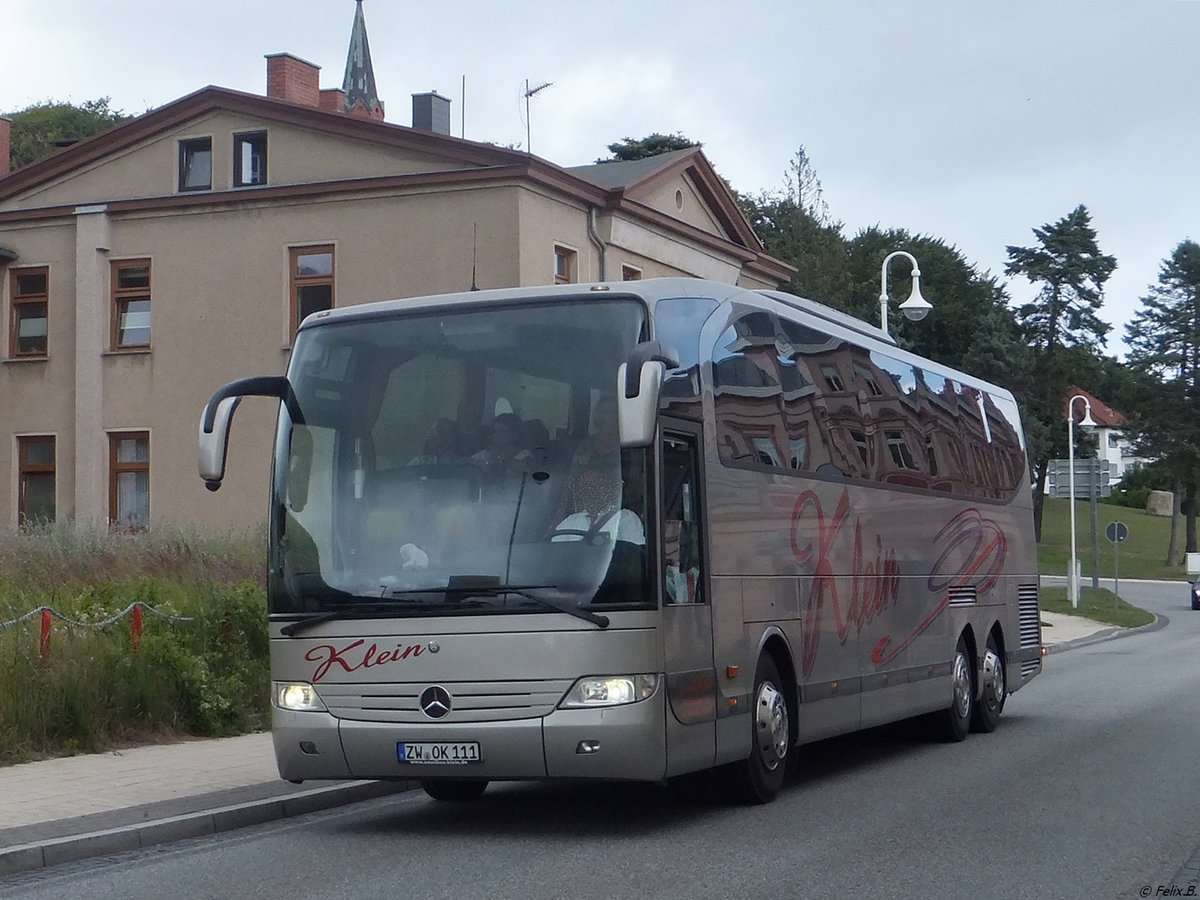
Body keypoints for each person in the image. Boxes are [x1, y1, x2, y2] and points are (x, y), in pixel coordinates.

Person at [551, 397, 644, 545]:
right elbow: (571, 481)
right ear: (598, 415)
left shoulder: (630, 447)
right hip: (584, 514)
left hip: (619, 510)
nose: (611, 415)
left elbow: (635, 484)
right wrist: (558, 517)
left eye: (615, 411)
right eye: (607, 411)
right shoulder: (586, 445)